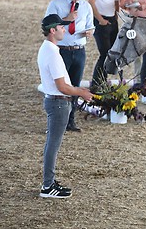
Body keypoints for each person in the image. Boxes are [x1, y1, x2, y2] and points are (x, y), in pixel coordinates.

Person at [38, 14, 93, 198]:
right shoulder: (52, 53)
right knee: (53, 144)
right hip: (59, 103)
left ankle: (49, 182)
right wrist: (82, 92)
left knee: (51, 143)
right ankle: (47, 186)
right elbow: (62, 86)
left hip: (56, 101)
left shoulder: (47, 49)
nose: (64, 29)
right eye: (62, 27)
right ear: (53, 30)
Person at [45, 0, 94, 132]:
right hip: (62, 50)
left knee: (75, 85)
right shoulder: (56, 4)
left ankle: (70, 120)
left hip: (79, 49)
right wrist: (67, 19)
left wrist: (89, 32)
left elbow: (91, 25)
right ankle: (56, 120)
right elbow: (48, 26)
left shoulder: (86, 7)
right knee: (60, 86)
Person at [88, 0, 122, 88]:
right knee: (104, 53)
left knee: (113, 51)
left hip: (112, 18)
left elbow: (116, 0)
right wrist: (100, 19)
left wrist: (117, 15)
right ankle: (97, 82)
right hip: (100, 19)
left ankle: (105, 79)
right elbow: (91, 2)